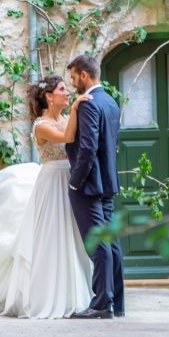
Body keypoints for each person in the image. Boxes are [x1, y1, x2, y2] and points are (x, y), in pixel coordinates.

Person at [0, 75, 94, 318]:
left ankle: (72, 295)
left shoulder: (66, 118)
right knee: (50, 237)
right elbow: (68, 138)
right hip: (51, 182)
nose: (68, 93)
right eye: (63, 89)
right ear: (48, 96)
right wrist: (77, 107)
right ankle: (45, 297)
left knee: (68, 236)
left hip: (69, 182)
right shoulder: (41, 125)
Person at [65, 54, 124, 319]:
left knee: (98, 244)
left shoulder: (88, 104)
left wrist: (75, 182)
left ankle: (101, 304)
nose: (72, 82)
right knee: (110, 243)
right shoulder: (110, 101)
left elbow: (87, 148)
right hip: (108, 183)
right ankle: (116, 303)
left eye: (74, 77)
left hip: (89, 185)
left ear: (84, 75)